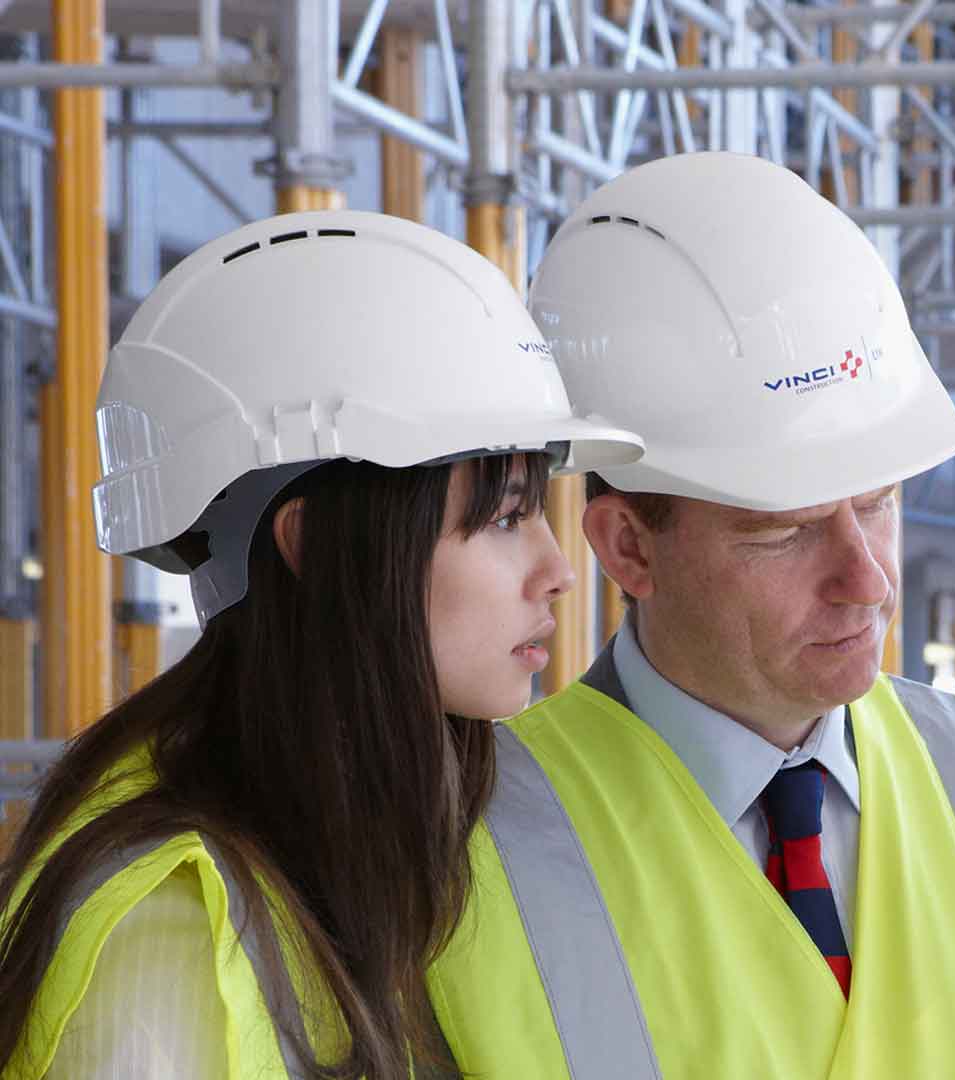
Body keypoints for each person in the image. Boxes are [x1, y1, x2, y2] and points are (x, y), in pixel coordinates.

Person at [427, 152, 955, 1077]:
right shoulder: (468, 842)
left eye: (878, 501)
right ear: (627, 548)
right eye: (786, 532)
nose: (869, 579)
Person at [0, 210, 643, 1080]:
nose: (558, 571)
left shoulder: (374, 848)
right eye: (504, 518)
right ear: (311, 544)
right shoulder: (169, 941)